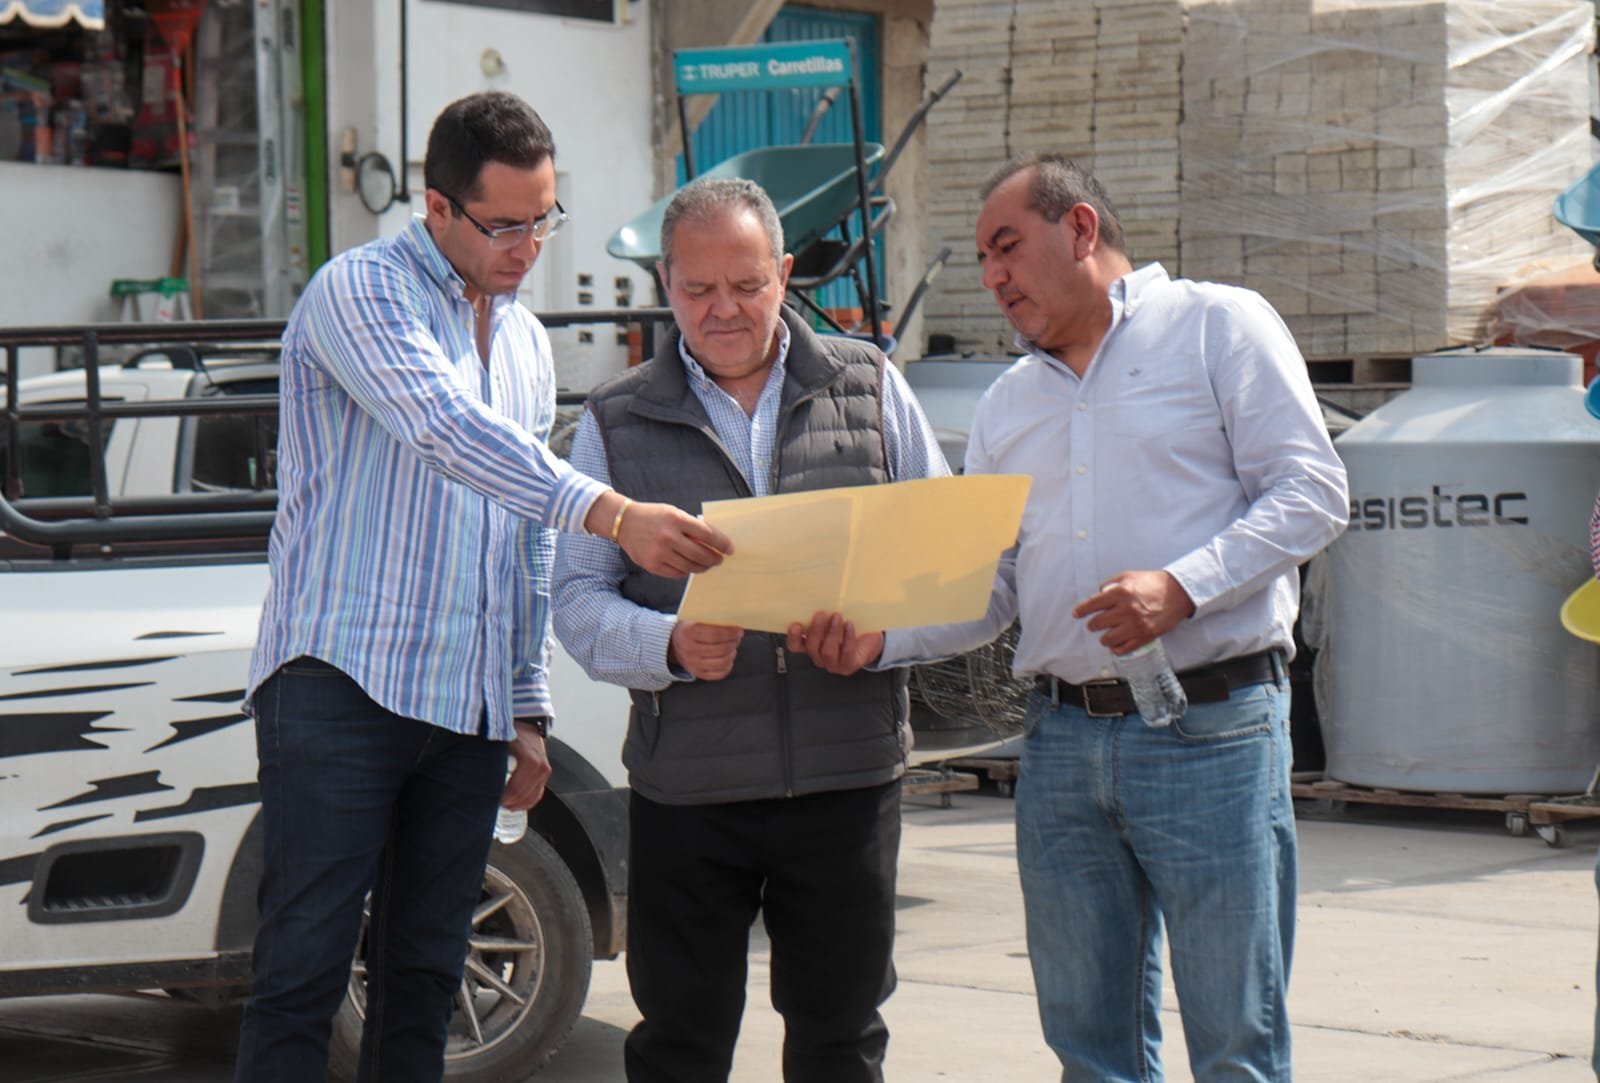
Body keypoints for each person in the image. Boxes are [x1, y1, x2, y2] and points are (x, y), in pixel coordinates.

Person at [790, 153, 1349, 1081]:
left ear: (1081, 228)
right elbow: (989, 586)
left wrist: (1183, 587)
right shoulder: (1009, 404)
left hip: (1211, 730)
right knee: (1090, 1051)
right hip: (1060, 745)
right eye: (983, 258)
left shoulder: (1217, 327)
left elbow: (1313, 492)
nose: (993, 276)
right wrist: (881, 639)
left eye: (1006, 246)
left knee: (1236, 1047)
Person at [234, 91, 729, 1083]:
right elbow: (445, 432)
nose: (528, 246)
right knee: (303, 971)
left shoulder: (529, 341)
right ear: (437, 207)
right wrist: (614, 513)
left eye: (544, 219)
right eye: (505, 224)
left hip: (467, 708)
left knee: (424, 977)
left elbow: (522, 541)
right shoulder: (360, 291)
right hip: (342, 683)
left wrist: (528, 707)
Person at [550, 176, 949, 1083]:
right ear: (666, 281)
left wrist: (879, 637)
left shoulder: (869, 386)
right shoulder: (615, 418)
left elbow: (943, 568)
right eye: (697, 288)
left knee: (840, 1040)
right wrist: (666, 646)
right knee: (680, 1045)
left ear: (785, 273)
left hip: (846, 778)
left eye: (747, 284)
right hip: (689, 790)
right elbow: (575, 598)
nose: (723, 309)